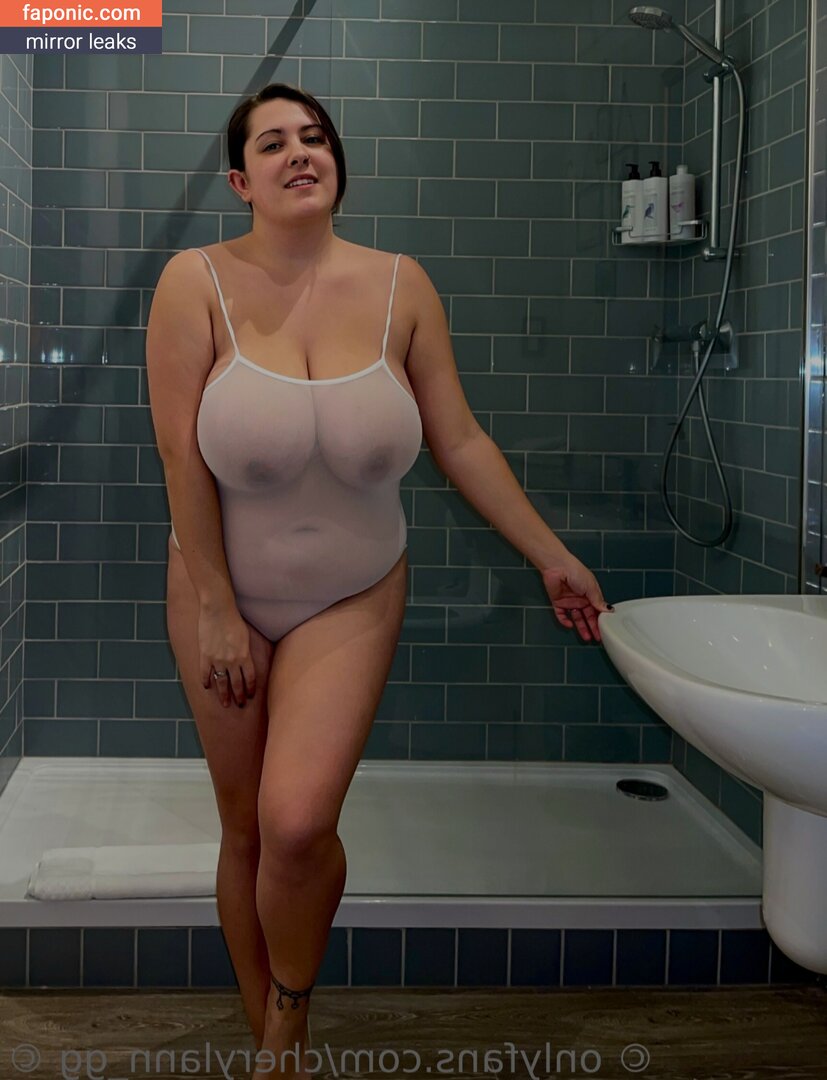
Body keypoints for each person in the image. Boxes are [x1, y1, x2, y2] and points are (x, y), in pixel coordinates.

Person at [146, 82, 612, 1079]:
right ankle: (270, 1047)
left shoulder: (403, 286)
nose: (298, 152)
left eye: (314, 137)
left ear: (338, 163)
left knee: (297, 822)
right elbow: (180, 457)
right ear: (240, 181)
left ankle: (290, 1010)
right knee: (243, 828)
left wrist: (550, 554)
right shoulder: (195, 282)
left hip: (352, 594)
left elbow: (461, 441)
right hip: (217, 593)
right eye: (272, 143)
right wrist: (218, 607)